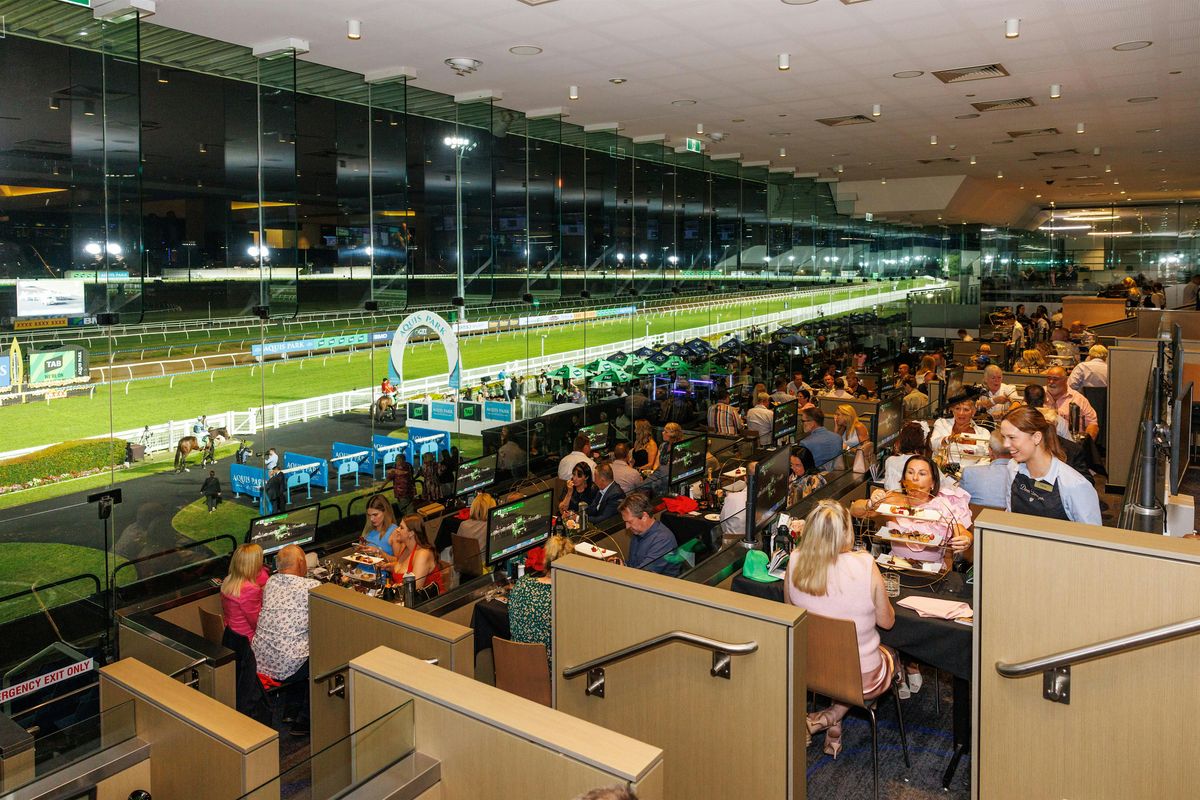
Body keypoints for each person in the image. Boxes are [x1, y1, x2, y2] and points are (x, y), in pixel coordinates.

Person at [785, 501, 896, 759]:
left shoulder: (795, 560)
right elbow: (887, 622)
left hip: (810, 670)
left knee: (841, 663)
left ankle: (830, 721)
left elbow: (790, 614)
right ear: (846, 532)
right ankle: (829, 718)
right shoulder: (865, 564)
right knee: (892, 656)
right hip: (862, 680)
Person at [251, 544, 320, 734]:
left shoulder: (270, 583)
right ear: (301, 563)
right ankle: (305, 719)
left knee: (296, 645)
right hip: (288, 668)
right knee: (322, 651)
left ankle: (291, 709)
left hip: (259, 661)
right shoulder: (312, 587)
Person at [1001, 406, 1102, 525]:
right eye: (1004, 437)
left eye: (1012, 437)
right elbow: (1010, 513)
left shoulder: (1074, 484)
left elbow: (1091, 533)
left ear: (1036, 437)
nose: (1005, 444)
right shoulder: (1013, 467)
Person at [220, 543, 269, 715]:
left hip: (231, 637)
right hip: (248, 643)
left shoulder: (228, 582)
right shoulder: (250, 590)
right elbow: (257, 622)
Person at [507, 535, 573, 660]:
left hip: (517, 663)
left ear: (545, 558)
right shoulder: (564, 597)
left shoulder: (522, 584)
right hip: (552, 667)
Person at [618, 492, 681, 577]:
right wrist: (622, 564)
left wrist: (623, 571)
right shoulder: (638, 531)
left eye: (630, 522)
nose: (627, 527)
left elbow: (645, 574)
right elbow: (633, 564)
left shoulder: (663, 539)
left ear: (644, 516)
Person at [391, 514, 445, 595]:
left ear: (411, 533)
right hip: (402, 597)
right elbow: (402, 569)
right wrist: (389, 567)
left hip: (429, 600)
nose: (397, 530)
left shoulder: (423, 554)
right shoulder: (405, 548)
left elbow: (414, 589)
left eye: (401, 527)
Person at [958, 428, 1012, 508]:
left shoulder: (969, 473)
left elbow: (959, 505)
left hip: (977, 515)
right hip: (1014, 516)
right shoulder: (1025, 475)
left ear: (990, 451)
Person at [1044, 366, 1099, 439]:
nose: (1051, 382)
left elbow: (1092, 424)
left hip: (1070, 441)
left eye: (1055, 379)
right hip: (1044, 442)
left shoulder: (1078, 399)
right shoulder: (1038, 394)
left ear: (1065, 380)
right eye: (1048, 378)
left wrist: (1087, 443)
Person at [357, 494, 401, 576]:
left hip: (378, 576)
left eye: (375, 515)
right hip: (359, 572)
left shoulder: (394, 532)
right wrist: (359, 550)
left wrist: (379, 552)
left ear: (385, 512)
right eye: (369, 515)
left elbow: (400, 562)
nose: (371, 519)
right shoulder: (369, 529)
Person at [883, 422, 929, 491]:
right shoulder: (926, 464)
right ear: (922, 442)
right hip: (914, 497)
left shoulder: (890, 461)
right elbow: (944, 484)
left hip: (891, 497)